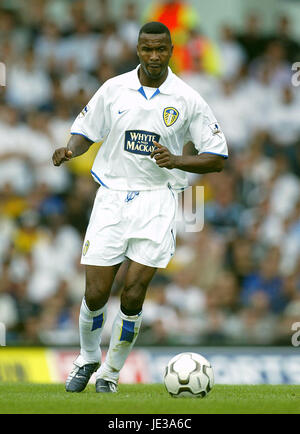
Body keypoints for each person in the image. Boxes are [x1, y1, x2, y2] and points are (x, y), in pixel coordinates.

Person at [52, 21, 228, 394]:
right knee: (96, 293)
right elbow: (85, 130)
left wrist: (177, 160)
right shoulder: (114, 89)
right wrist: (70, 150)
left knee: (133, 294)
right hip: (112, 197)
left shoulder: (187, 98)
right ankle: (86, 358)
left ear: (170, 51)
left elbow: (217, 158)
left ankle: (111, 374)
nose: (153, 56)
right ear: (137, 49)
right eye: (146, 49)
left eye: (160, 49)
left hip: (157, 201)